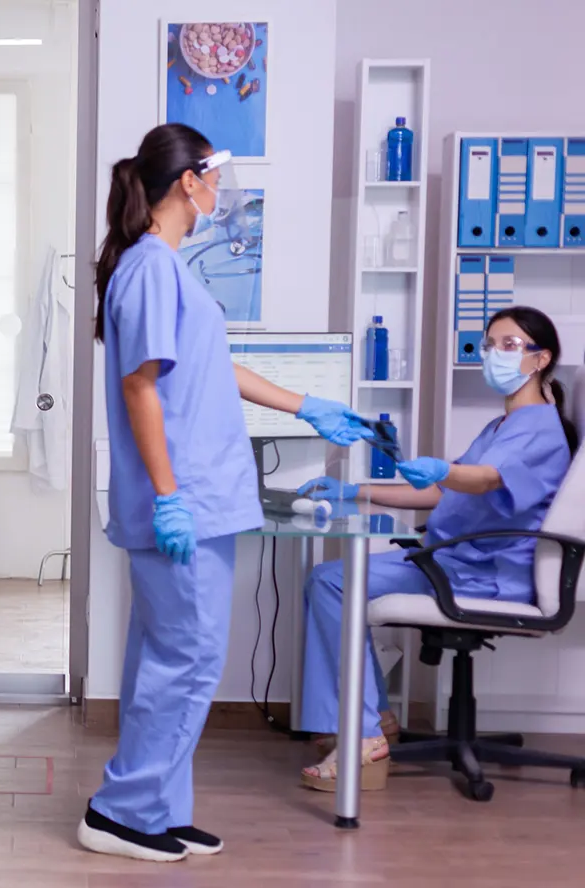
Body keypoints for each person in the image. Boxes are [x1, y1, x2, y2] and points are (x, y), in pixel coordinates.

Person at [78, 124, 374, 863]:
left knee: (167, 660)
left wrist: (305, 404)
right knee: (188, 662)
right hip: (184, 500)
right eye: (215, 178)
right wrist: (170, 494)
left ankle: (159, 807)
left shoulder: (169, 269)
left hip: (201, 495)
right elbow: (140, 383)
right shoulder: (149, 268)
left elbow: (217, 368)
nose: (222, 194)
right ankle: (121, 809)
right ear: (189, 182)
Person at [295, 307, 578, 792]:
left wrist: (445, 471)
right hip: (449, 560)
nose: (493, 354)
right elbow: (442, 492)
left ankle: (364, 732)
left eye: (509, 345)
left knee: (331, 583)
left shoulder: (539, 429)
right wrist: (356, 491)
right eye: (489, 345)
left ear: (541, 358)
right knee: (331, 581)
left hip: (481, 573)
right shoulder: (502, 426)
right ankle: (376, 720)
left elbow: (485, 479)